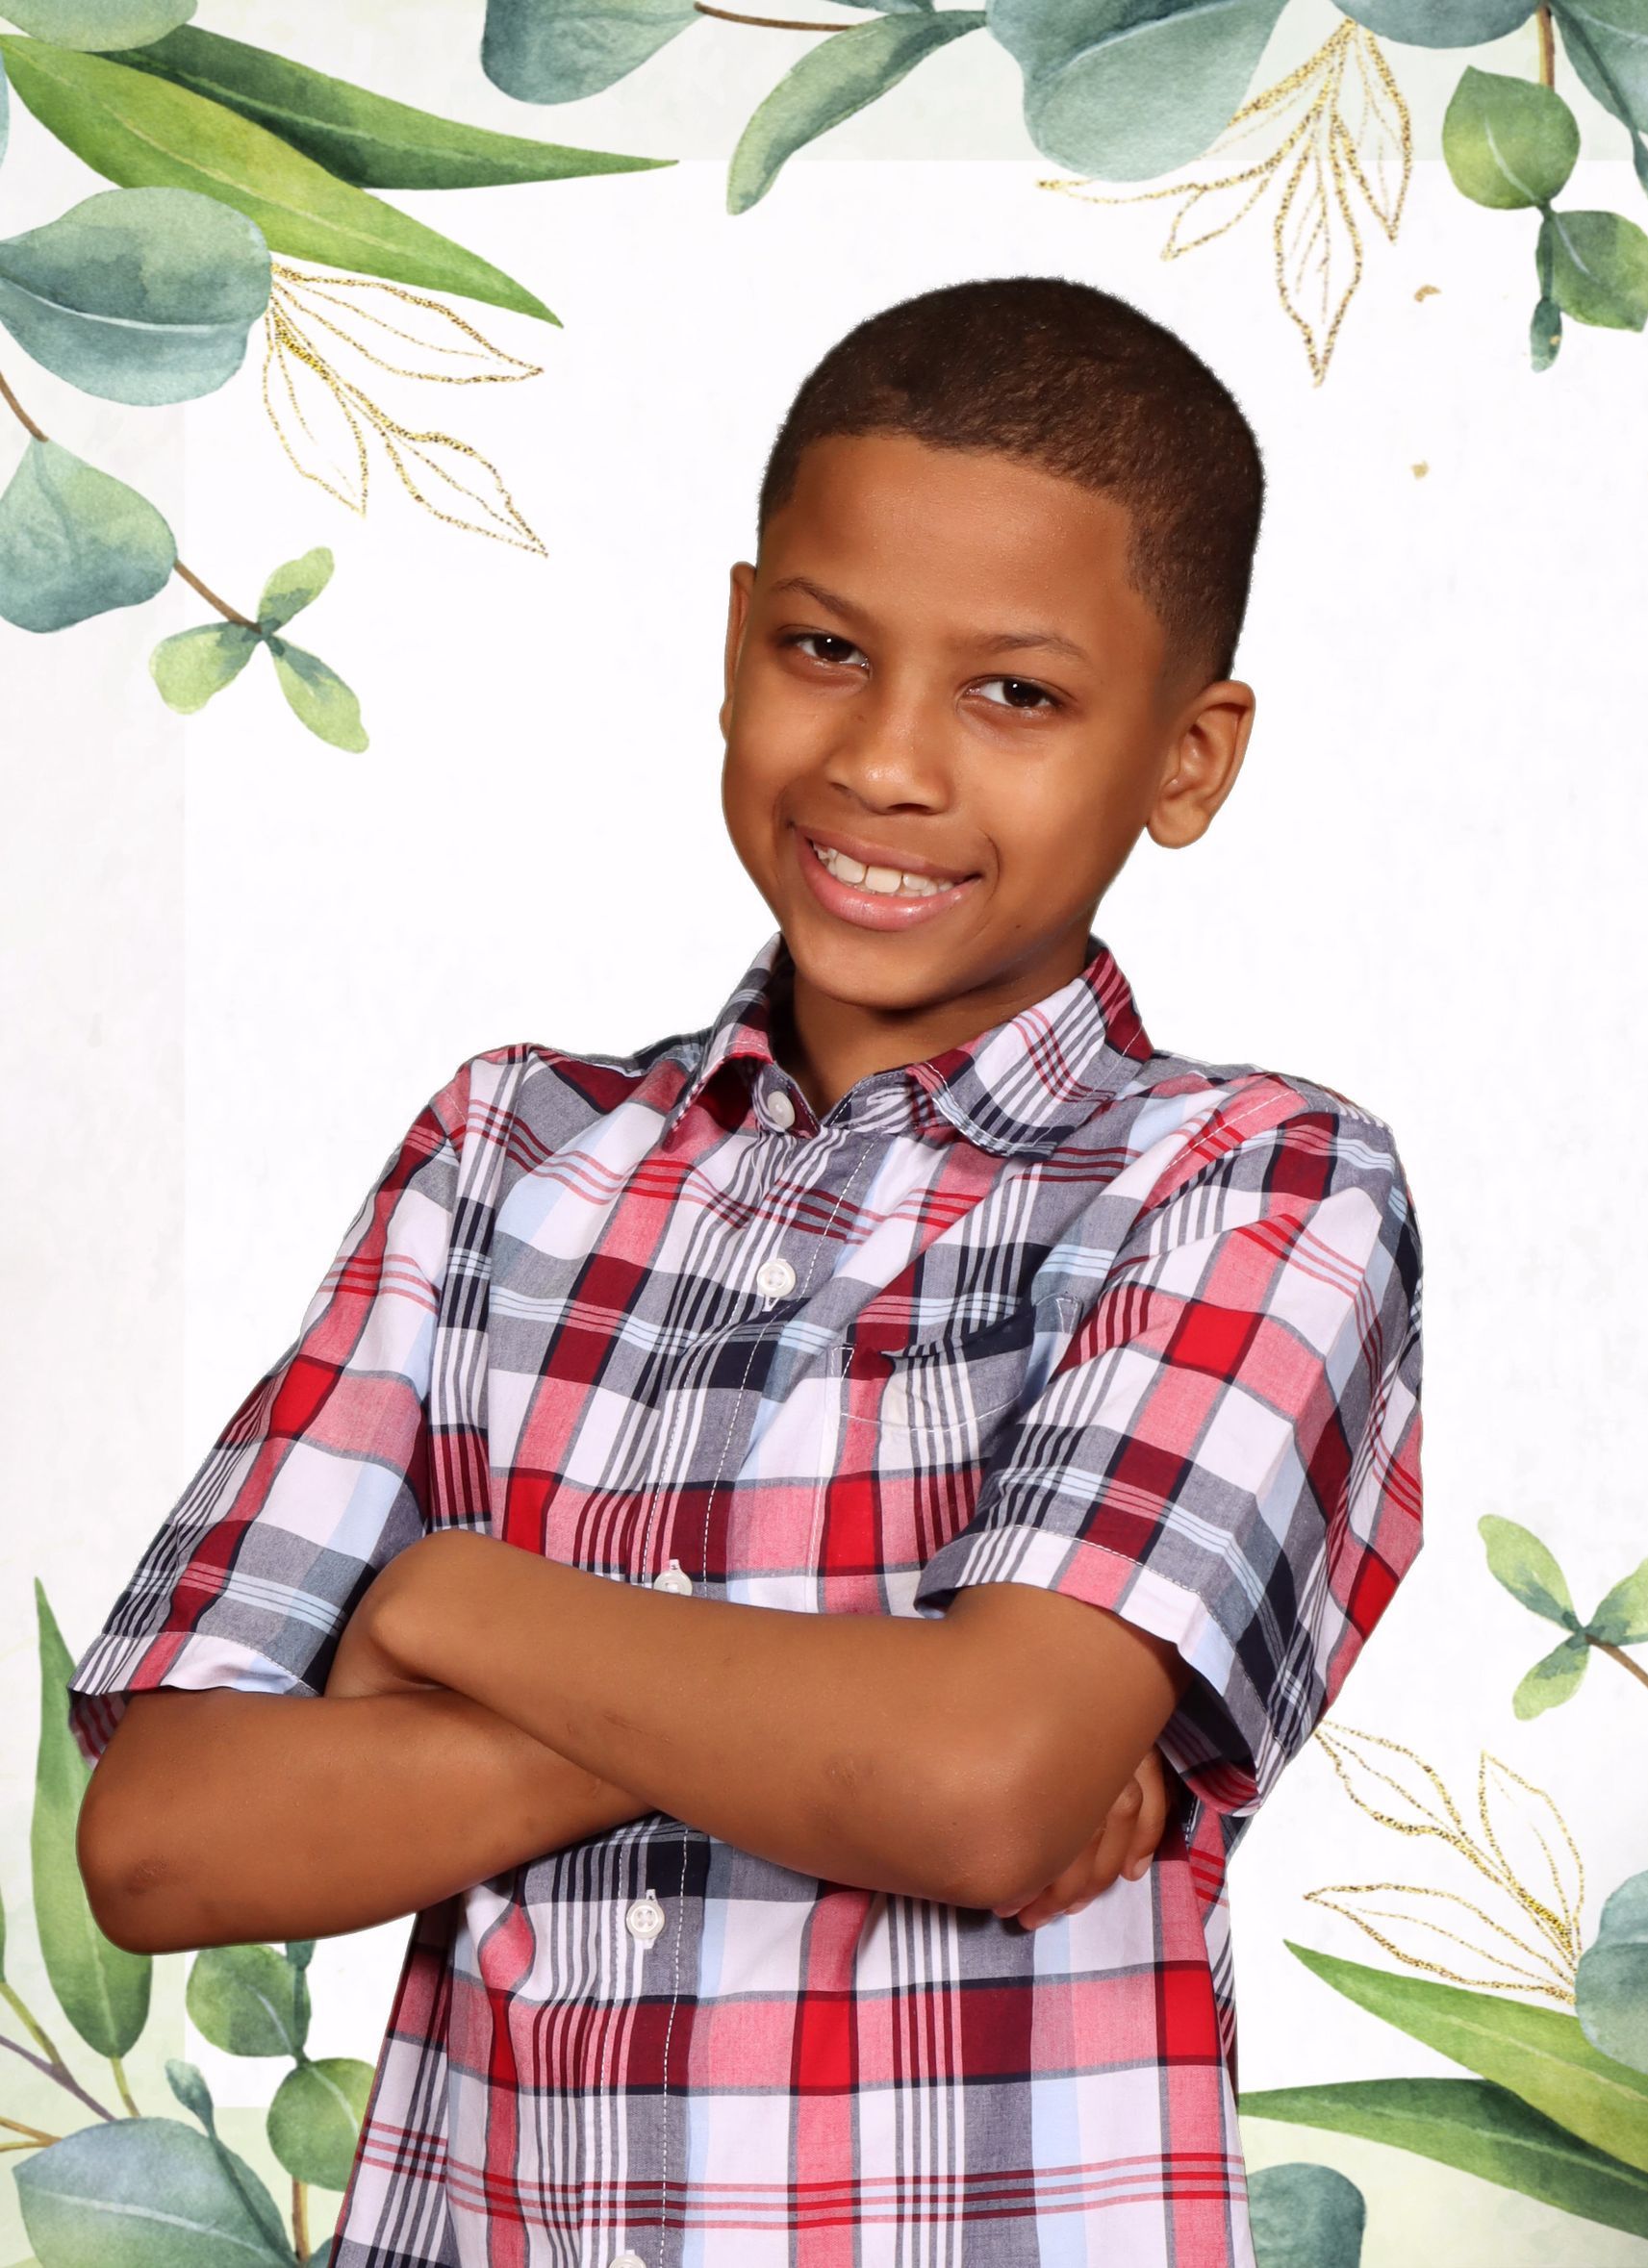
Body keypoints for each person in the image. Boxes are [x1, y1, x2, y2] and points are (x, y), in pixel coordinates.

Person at [67, 275, 1426, 2268]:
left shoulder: (1249, 1186)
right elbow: (169, 1838)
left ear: (1188, 757)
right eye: (822, 649)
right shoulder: (503, 1155)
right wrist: (856, 1723)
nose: (884, 763)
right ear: (733, 646)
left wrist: (454, 1607)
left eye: (1017, 694)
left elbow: (973, 1789)